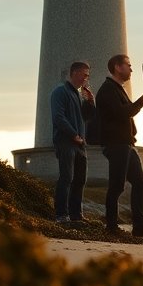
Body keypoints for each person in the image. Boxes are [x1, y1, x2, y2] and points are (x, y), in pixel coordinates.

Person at [96, 54, 143, 236]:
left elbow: (127, 112)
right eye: (128, 65)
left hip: (127, 144)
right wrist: (142, 101)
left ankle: (139, 226)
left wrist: (141, 102)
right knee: (117, 186)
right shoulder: (108, 89)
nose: (131, 69)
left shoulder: (117, 88)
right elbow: (123, 113)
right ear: (117, 67)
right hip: (115, 144)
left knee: (140, 182)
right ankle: (112, 227)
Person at [50, 61, 96, 224]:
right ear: (75, 73)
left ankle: (76, 215)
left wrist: (90, 101)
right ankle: (61, 215)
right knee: (66, 178)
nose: (87, 78)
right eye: (85, 74)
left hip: (79, 144)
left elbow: (86, 117)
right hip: (66, 142)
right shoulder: (60, 91)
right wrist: (73, 134)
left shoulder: (77, 94)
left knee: (79, 180)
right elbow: (58, 117)